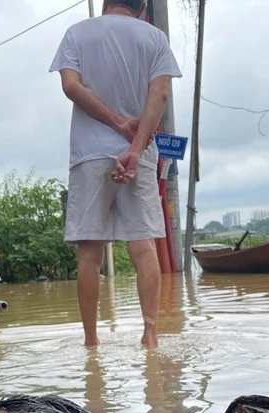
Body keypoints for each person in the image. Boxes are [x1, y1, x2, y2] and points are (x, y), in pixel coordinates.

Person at [50, 0, 182, 349]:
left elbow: (70, 86)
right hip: (139, 153)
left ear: (106, 2)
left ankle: (91, 342)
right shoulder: (154, 38)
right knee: (143, 247)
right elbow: (161, 95)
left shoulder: (76, 34)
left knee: (89, 253)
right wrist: (136, 148)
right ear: (140, 9)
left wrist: (115, 122)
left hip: (89, 153)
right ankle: (150, 335)